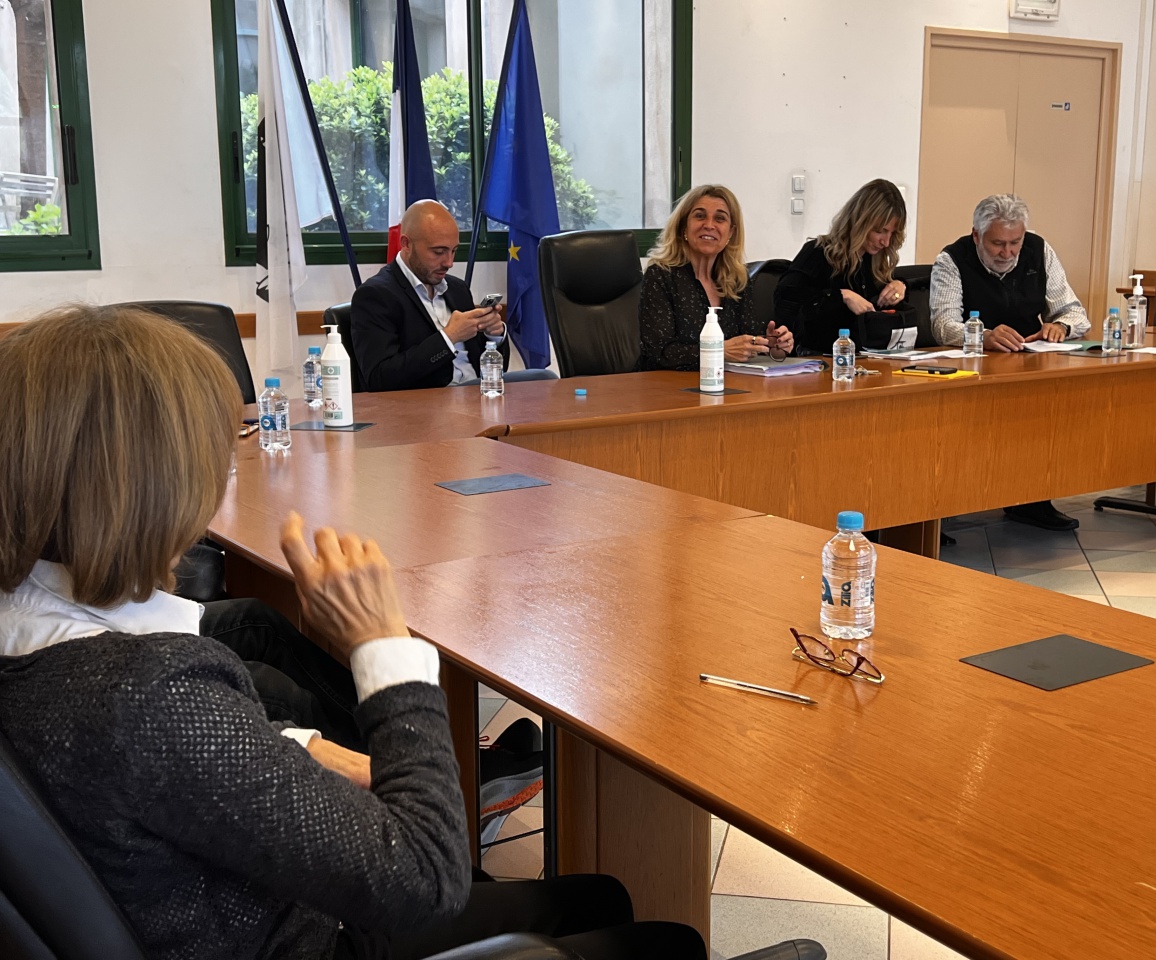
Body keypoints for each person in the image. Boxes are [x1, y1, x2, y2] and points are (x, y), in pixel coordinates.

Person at [0, 304, 705, 960]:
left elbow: (180, 763)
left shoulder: (37, 637)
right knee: (662, 942)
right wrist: (382, 648)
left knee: (597, 899)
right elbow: (428, 876)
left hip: (249, 903)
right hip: (312, 931)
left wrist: (299, 747)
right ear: (154, 483)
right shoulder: (151, 696)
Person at [931, 194, 1091, 531]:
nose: (1007, 253)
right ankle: (944, 504)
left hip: (1030, 366)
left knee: (1045, 415)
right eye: (997, 244)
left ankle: (1032, 499)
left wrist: (1061, 326)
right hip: (973, 372)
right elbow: (943, 325)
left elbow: (1075, 312)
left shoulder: (1039, 250)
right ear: (977, 235)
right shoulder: (951, 259)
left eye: (1014, 243)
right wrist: (982, 335)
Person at [351, 199, 517, 392]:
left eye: (454, 251)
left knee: (541, 377)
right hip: (430, 402)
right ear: (406, 244)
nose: (449, 263)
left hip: (478, 393)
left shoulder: (457, 289)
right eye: (439, 252)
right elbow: (380, 379)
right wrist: (449, 337)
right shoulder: (375, 296)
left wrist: (493, 335)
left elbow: (494, 369)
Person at [639, 183, 794, 370]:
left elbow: (747, 340)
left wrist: (770, 345)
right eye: (699, 216)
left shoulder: (737, 280)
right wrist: (718, 350)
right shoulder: (660, 275)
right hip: (668, 383)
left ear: (731, 232)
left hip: (726, 382)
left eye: (720, 218)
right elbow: (658, 352)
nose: (709, 225)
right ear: (683, 227)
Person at [774, 179, 913, 353]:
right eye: (880, 231)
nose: (886, 242)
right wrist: (841, 297)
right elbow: (787, 308)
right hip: (820, 359)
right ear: (860, 222)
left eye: (892, 233)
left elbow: (879, 312)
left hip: (864, 358)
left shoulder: (872, 261)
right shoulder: (818, 253)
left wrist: (899, 287)